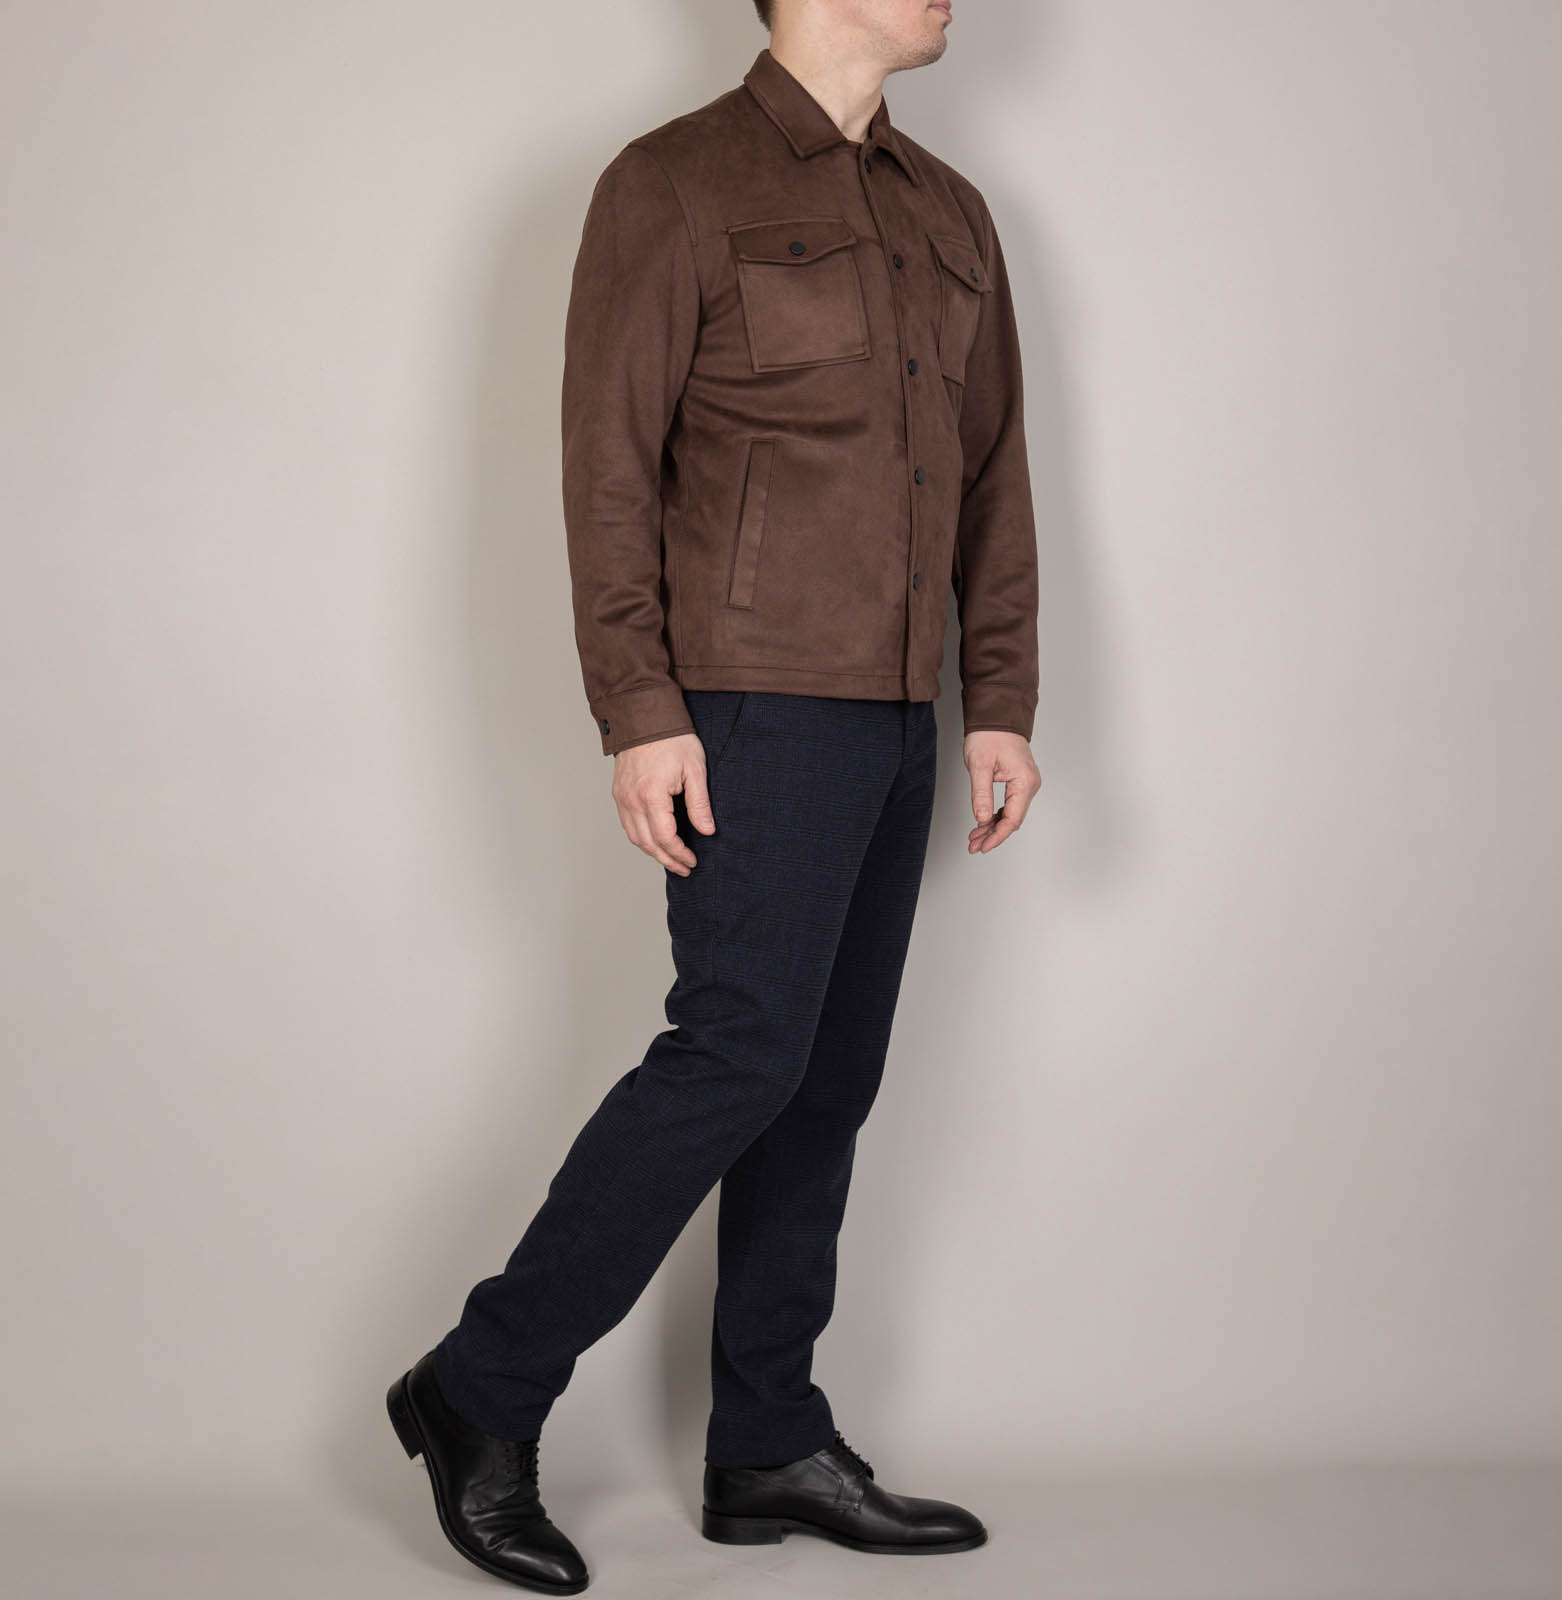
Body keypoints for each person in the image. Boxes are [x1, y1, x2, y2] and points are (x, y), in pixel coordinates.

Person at [386, 1, 1042, 1590]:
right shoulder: (672, 183)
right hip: (752, 705)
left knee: (825, 1084)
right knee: (738, 1055)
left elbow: (995, 474)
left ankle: (766, 1441)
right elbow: (607, 465)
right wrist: (639, 708)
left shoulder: (952, 215)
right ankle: (480, 1386)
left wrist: (1000, 700)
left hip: (898, 715)